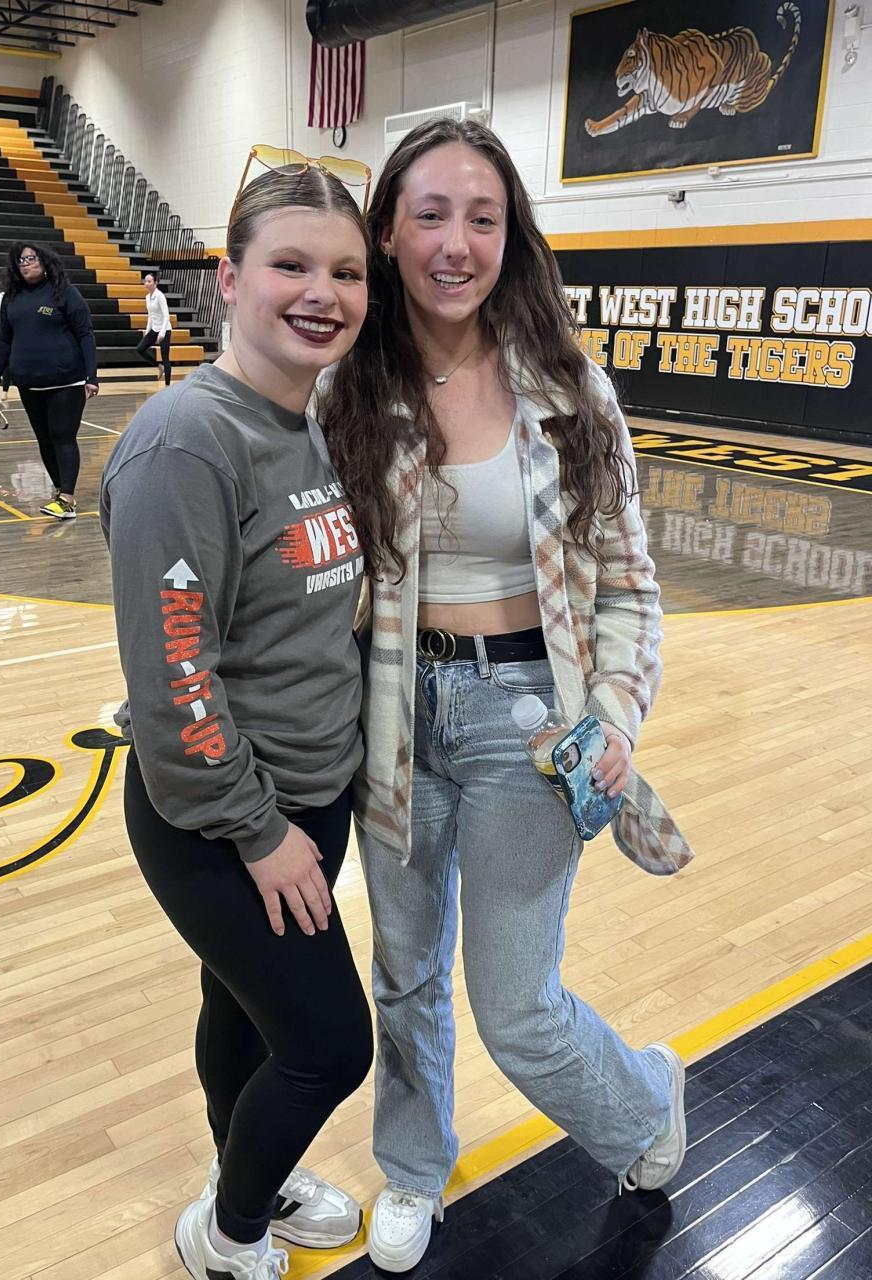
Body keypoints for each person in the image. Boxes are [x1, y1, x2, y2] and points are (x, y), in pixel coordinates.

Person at [319, 119, 695, 1273]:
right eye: (430, 214)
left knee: (516, 1004)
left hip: (529, 721)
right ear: (387, 232)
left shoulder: (571, 390)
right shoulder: (344, 387)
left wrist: (616, 713)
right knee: (404, 972)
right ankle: (414, 1165)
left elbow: (629, 585)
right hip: (391, 715)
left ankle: (645, 1103)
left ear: (510, 235)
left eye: (482, 217)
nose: (455, 242)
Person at [100, 162, 373, 1280]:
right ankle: (229, 1231)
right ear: (229, 278)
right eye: (291, 264)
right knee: (328, 1046)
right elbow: (175, 682)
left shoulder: (316, 425)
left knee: (248, 1012)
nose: (322, 293)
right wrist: (260, 832)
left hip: (313, 796)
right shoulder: (185, 441)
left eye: (347, 272)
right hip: (223, 818)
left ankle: (240, 1173)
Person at [0, 242, 98, 520]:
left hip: (66, 381)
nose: (25, 264)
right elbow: (5, 340)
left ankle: (68, 499)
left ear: (44, 261)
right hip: (29, 384)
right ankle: (60, 491)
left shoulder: (65, 293)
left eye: (30, 258)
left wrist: (91, 376)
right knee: (45, 439)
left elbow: (85, 334)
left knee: (63, 436)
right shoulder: (11, 298)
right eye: (20, 261)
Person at [136, 270, 173, 385]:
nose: (146, 283)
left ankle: (167, 385)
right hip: (154, 328)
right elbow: (150, 315)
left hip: (165, 329)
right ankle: (158, 366)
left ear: (155, 283)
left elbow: (166, 316)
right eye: (145, 281)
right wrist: (147, 331)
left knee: (165, 357)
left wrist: (162, 333)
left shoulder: (160, 296)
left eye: (149, 281)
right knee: (140, 348)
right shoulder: (147, 297)